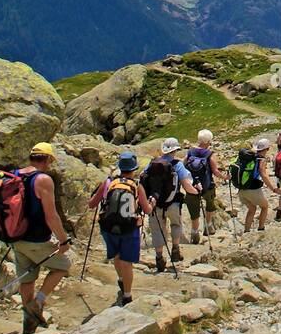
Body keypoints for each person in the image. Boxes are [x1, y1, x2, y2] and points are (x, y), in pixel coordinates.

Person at [14, 142, 74, 334]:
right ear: (47, 159)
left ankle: (28, 321)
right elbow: (51, 216)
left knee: (27, 277)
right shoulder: (43, 180)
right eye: (50, 160)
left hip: (15, 237)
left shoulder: (16, 175)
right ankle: (38, 303)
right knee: (63, 266)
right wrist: (63, 240)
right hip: (36, 238)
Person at [88, 151, 153, 307]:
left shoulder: (108, 182)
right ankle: (127, 295)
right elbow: (147, 210)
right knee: (127, 261)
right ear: (134, 169)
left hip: (108, 226)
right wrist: (152, 202)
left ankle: (121, 279)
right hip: (129, 227)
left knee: (117, 255)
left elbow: (92, 204)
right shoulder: (137, 185)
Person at [141, 137, 197, 273]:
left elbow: (142, 179)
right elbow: (186, 184)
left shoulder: (152, 163)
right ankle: (175, 250)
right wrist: (196, 192)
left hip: (155, 203)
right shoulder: (177, 164)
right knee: (176, 225)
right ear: (176, 150)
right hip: (173, 203)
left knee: (157, 230)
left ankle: (159, 258)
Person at [183, 130, 222, 244]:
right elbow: (215, 171)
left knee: (194, 210)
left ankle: (194, 232)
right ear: (208, 141)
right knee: (210, 205)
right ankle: (208, 225)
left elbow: (183, 165)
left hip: (193, 186)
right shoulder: (210, 154)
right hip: (207, 185)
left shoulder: (190, 152)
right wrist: (225, 177)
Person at [236, 137, 277, 232]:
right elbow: (263, 175)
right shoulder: (261, 159)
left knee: (252, 209)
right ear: (267, 149)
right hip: (253, 189)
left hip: (242, 188)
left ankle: (247, 231)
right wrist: (273, 188)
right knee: (265, 206)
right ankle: (261, 228)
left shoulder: (249, 157)